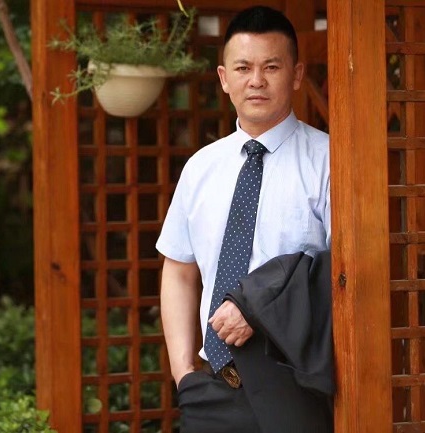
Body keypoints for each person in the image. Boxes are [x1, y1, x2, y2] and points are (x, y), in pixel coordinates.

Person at [156, 5, 332, 432]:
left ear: (296, 74)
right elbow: (179, 271)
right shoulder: (200, 168)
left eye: (271, 67)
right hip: (210, 389)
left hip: (294, 385)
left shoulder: (330, 161)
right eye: (243, 68)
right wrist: (184, 374)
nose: (256, 80)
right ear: (223, 78)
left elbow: (345, 272)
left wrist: (258, 305)